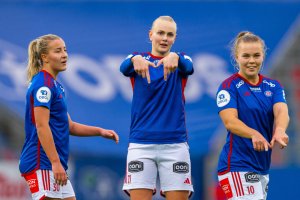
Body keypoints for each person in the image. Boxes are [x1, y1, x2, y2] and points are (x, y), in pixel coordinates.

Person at [19, 34, 119, 200]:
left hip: (53, 164)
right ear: (45, 57)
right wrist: (55, 162)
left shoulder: (55, 85)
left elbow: (69, 126)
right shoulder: (43, 85)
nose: (64, 55)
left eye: (65, 50)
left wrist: (100, 131)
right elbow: (41, 126)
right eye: (58, 51)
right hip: (42, 163)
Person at [120, 16, 194, 200]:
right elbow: (123, 67)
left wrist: (175, 56)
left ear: (175, 38)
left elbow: (189, 67)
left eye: (170, 34)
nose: (164, 38)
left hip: (175, 144)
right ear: (150, 34)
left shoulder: (181, 60)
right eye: (160, 33)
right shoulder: (138, 59)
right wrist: (135, 58)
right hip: (141, 144)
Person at [216, 31, 290, 200]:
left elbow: (281, 111)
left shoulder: (273, 85)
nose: (251, 61)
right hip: (237, 164)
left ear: (263, 55)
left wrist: (279, 130)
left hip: (262, 166)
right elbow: (230, 121)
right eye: (246, 56)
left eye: (256, 55)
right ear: (236, 57)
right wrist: (254, 134)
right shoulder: (229, 86)